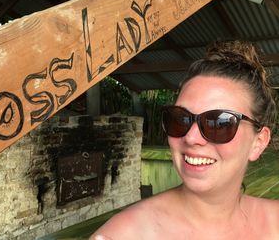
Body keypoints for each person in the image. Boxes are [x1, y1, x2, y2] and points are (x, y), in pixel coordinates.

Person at [90, 40, 279, 240]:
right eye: (180, 119)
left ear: (258, 142)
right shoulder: (124, 234)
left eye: (219, 123)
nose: (191, 137)